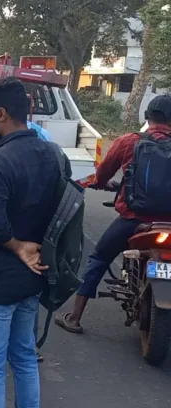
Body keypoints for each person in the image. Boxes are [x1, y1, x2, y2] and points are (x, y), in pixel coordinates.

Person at [0, 76, 67, 408]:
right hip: (32, 278)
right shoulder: (51, 153)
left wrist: (17, 245)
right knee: (23, 356)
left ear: (2, 114)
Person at [56, 95, 171, 334]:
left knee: (98, 259)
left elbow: (102, 174)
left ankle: (74, 318)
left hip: (134, 220)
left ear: (147, 117)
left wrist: (100, 183)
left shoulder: (129, 141)